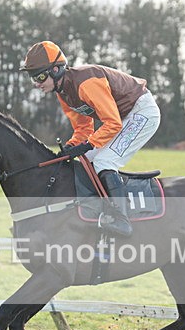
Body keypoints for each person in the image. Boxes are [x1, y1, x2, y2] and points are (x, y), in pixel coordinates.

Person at [19, 41, 160, 237]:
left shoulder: (87, 83)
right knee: (88, 158)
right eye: (32, 77)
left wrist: (88, 144)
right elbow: (83, 128)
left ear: (57, 70)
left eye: (40, 76)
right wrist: (71, 147)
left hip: (142, 112)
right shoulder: (64, 93)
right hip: (124, 116)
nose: (36, 83)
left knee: (104, 160)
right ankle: (101, 208)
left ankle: (122, 219)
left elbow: (112, 123)